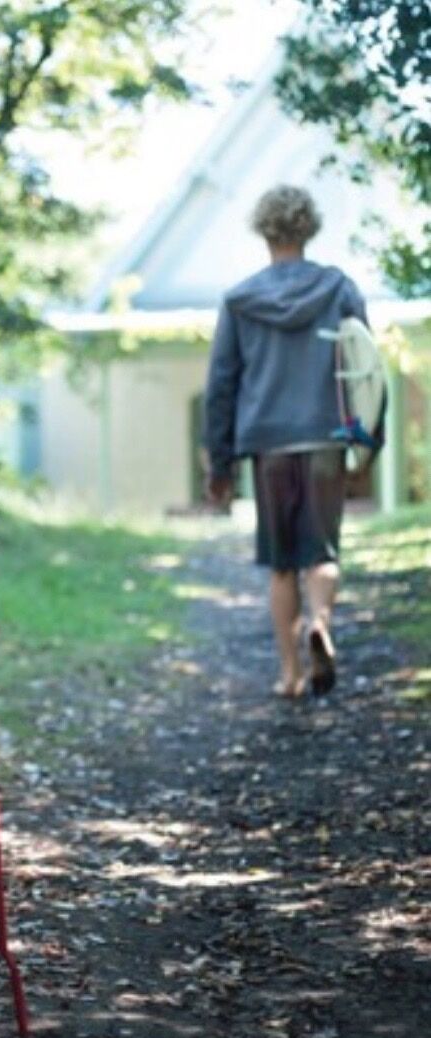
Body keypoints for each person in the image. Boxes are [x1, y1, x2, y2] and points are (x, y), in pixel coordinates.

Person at [204, 184, 368, 699]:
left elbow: (222, 384)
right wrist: (367, 442)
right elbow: (365, 369)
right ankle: (320, 621)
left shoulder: (240, 300)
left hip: (268, 444)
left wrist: (220, 463)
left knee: (280, 564)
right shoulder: (339, 288)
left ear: (264, 230)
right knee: (321, 553)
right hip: (325, 436)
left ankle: (291, 673)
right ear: (309, 227)